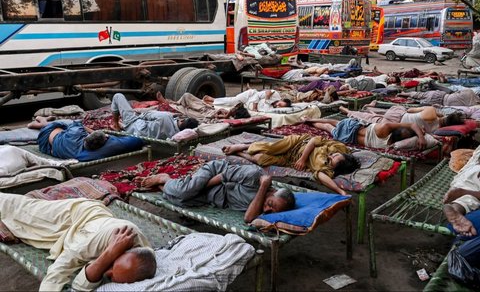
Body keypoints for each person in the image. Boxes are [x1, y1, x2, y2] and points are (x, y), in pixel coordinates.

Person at [0, 193, 156, 291]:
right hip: (80, 214)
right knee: (18, 209)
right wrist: (108, 254)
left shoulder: (143, 254)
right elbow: (60, 268)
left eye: (112, 276)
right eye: (112, 268)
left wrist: (107, 259)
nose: (107, 273)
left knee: (24, 230)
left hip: (83, 231)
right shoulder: (100, 242)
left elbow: (79, 286)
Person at [134, 160, 295, 223]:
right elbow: (223, 175)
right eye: (270, 204)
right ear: (274, 191)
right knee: (186, 191)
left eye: (272, 210)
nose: (267, 209)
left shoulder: (262, 199)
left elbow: (248, 218)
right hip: (214, 174)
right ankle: (166, 179)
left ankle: (168, 183)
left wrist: (263, 189)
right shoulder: (254, 175)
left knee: (180, 200)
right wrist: (198, 187)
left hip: (217, 196)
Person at [221, 135, 360, 195]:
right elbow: (313, 141)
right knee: (270, 148)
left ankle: (238, 153)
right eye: (333, 155)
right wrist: (303, 159)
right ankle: (243, 145)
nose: (330, 156)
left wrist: (340, 191)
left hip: (290, 160)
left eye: (331, 161)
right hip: (298, 143)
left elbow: (324, 178)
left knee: (262, 160)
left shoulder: (327, 169)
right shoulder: (339, 147)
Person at [29, 117, 143, 161]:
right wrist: (104, 136)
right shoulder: (83, 155)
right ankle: (43, 122)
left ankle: (41, 121)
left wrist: (91, 131)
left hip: (48, 137)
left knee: (63, 123)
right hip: (50, 146)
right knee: (62, 125)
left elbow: (77, 124)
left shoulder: (76, 133)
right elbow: (137, 141)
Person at [303, 117, 428, 150]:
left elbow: (412, 125)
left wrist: (420, 135)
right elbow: (412, 128)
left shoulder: (386, 127)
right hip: (348, 138)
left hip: (352, 128)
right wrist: (420, 136)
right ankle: (310, 121)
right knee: (327, 127)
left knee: (331, 123)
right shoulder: (389, 145)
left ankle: (309, 120)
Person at [111, 93, 198, 139]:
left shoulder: (166, 117)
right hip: (142, 134)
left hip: (133, 124)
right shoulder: (175, 135)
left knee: (118, 96)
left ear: (182, 120)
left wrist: (136, 113)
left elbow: (147, 114)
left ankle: (116, 124)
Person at [339, 104, 465, 133]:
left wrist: (438, 113)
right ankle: (365, 109)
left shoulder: (431, 111)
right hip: (397, 125)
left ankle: (347, 110)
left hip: (397, 117)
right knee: (371, 118)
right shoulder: (437, 130)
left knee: (370, 117)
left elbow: (410, 110)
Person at [443, 146, 480, 237]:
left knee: (466, 195)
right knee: (470, 197)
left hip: (467, 171)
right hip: (474, 171)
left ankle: (455, 209)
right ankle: (457, 207)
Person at [203, 88, 292, 112]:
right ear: (282, 100)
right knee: (233, 101)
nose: (278, 105)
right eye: (280, 104)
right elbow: (258, 95)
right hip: (250, 95)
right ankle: (212, 99)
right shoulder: (275, 95)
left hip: (248, 103)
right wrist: (255, 107)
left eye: (280, 107)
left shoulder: (273, 108)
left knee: (232, 106)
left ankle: (212, 101)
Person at [399, 81, 480, 106]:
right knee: (421, 99)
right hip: (441, 102)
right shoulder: (473, 105)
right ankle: (410, 98)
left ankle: (405, 95)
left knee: (420, 96)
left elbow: (456, 92)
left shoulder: (470, 93)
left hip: (441, 97)